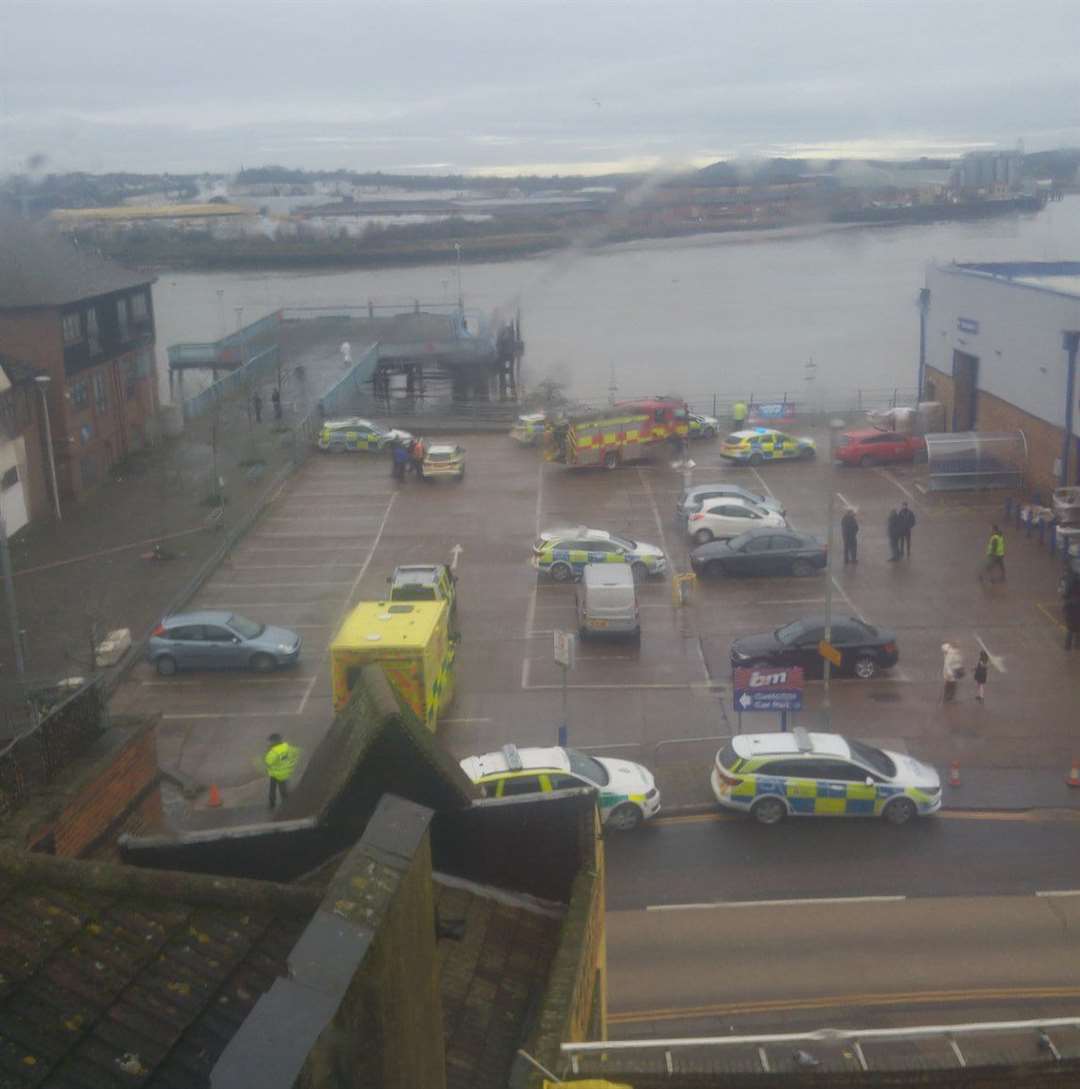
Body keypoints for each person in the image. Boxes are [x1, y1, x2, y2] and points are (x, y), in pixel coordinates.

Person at [264, 733, 299, 809]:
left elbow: (268, 761)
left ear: (273, 741)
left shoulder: (273, 752)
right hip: (285, 772)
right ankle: (286, 803)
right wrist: (292, 763)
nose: (269, 743)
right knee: (284, 789)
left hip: (275, 774)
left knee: (272, 789)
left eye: (270, 741)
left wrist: (268, 752)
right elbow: (295, 752)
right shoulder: (287, 747)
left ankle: (272, 804)